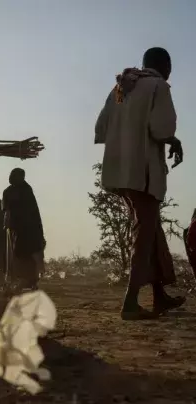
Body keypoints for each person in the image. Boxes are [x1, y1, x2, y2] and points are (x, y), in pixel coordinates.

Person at [94, 47, 185, 320]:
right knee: (144, 234)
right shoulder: (158, 86)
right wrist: (174, 141)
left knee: (151, 227)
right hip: (142, 173)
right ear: (164, 65)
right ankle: (130, 303)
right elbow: (162, 129)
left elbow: (101, 128)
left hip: (120, 173)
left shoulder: (121, 87)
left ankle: (159, 296)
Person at [2, 168, 45, 290]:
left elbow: (31, 211)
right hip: (18, 229)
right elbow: (7, 212)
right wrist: (7, 226)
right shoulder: (10, 191)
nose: (10, 177)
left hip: (28, 228)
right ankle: (25, 280)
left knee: (27, 253)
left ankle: (29, 281)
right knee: (20, 253)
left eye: (14, 175)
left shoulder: (25, 190)